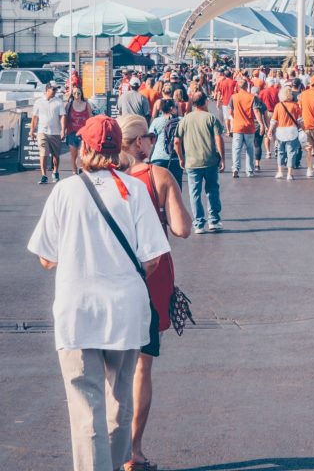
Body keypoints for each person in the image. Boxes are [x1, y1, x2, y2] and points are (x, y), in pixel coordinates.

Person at [27, 115, 170, 471]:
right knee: (120, 396)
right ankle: (118, 462)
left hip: (78, 311)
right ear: (117, 147)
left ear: (85, 148)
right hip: (125, 311)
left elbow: (47, 257)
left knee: (86, 402)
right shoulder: (135, 189)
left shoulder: (65, 191)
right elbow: (153, 258)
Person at [118, 114, 192, 471]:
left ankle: (108, 447)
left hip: (114, 274)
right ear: (137, 144)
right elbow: (182, 229)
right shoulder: (158, 176)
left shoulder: (104, 180)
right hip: (153, 277)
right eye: (149, 136)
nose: (152, 141)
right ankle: (134, 452)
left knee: (111, 366)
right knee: (141, 369)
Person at [174, 90, 225, 234]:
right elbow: (218, 138)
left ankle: (199, 223)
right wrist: (222, 158)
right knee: (212, 190)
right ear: (205, 102)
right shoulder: (211, 118)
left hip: (191, 161)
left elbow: (176, 141)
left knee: (194, 193)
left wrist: (181, 158)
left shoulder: (185, 119)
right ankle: (214, 220)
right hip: (210, 160)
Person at [228, 77, 265, 177]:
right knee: (249, 149)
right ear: (247, 86)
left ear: (238, 86)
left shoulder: (233, 97)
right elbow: (256, 111)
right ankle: (249, 170)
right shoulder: (252, 97)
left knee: (236, 149)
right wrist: (261, 124)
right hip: (249, 127)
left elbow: (230, 112)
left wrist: (235, 118)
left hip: (237, 127)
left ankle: (235, 168)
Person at [30, 82, 66, 184]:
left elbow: (62, 116)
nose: (55, 91)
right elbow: (35, 117)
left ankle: (55, 172)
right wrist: (32, 130)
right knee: (43, 153)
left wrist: (63, 130)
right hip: (42, 132)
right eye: (54, 89)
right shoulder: (38, 102)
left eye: (56, 89)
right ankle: (44, 175)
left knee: (56, 155)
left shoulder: (59, 101)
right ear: (47, 89)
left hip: (55, 132)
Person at [270, 85, 303, 181]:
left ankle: (280, 172)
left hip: (280, 131)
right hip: (292, 131)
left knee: (280, 151)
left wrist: (269, 130)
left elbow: (273, 120)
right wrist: (303, 128)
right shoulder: (295, 105)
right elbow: (300, 120)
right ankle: (289, 174)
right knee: (291, 153)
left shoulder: (278, 106)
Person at [149, 98, 184, 188]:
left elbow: (151, 139)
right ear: (172, 108)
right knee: (176, 187)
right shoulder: (181, 120)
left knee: (158, 187)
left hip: (158, 158)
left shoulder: (156, 121)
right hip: (175, 157)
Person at [63, 86, 92, 175]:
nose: (77, 95)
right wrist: (63, 130)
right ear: (72, 94)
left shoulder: (86, 104)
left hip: (84, 132)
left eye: (78, 93)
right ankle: (74, 171)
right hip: (72, 132)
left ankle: (82, 168)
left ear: (81, 94)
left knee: (83, 153)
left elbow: (91, 118)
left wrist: (91, 130)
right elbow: (64, 117)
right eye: (74, 93)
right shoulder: (69, 105)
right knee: (73, 154)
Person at [213, 69, 236, 134]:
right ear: (231, 75)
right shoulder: (234, 82)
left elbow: (219, 93)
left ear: (224, 75)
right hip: (233, 101)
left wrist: (217, 102)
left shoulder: (221, 82)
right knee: (232, 116)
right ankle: (232, 129)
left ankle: (228, 131)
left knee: (226, 117)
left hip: (225, 101)